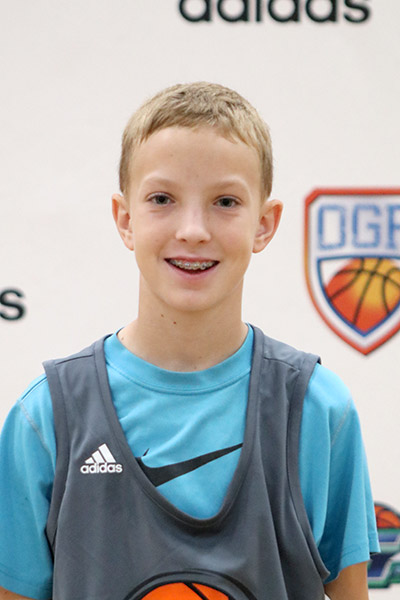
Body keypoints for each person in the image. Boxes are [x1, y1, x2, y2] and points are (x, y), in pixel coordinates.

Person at [0, 82, 379, 600]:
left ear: (264, 224)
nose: (194, 230)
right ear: (125, 219)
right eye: (162, 199)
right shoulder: (46, 418)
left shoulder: (316, 408)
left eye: (225, 201)